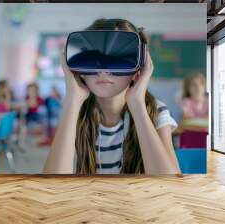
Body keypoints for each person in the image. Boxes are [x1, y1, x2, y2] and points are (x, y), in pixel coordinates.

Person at [43, 18, 181, 175]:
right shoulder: (77, 111)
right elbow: (53, 186)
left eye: (117, 59)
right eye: (94, 59)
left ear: (140, 65)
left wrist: (137, 105)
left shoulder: (155, 110)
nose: (104, 71)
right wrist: (72, 102)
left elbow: (170, 184)